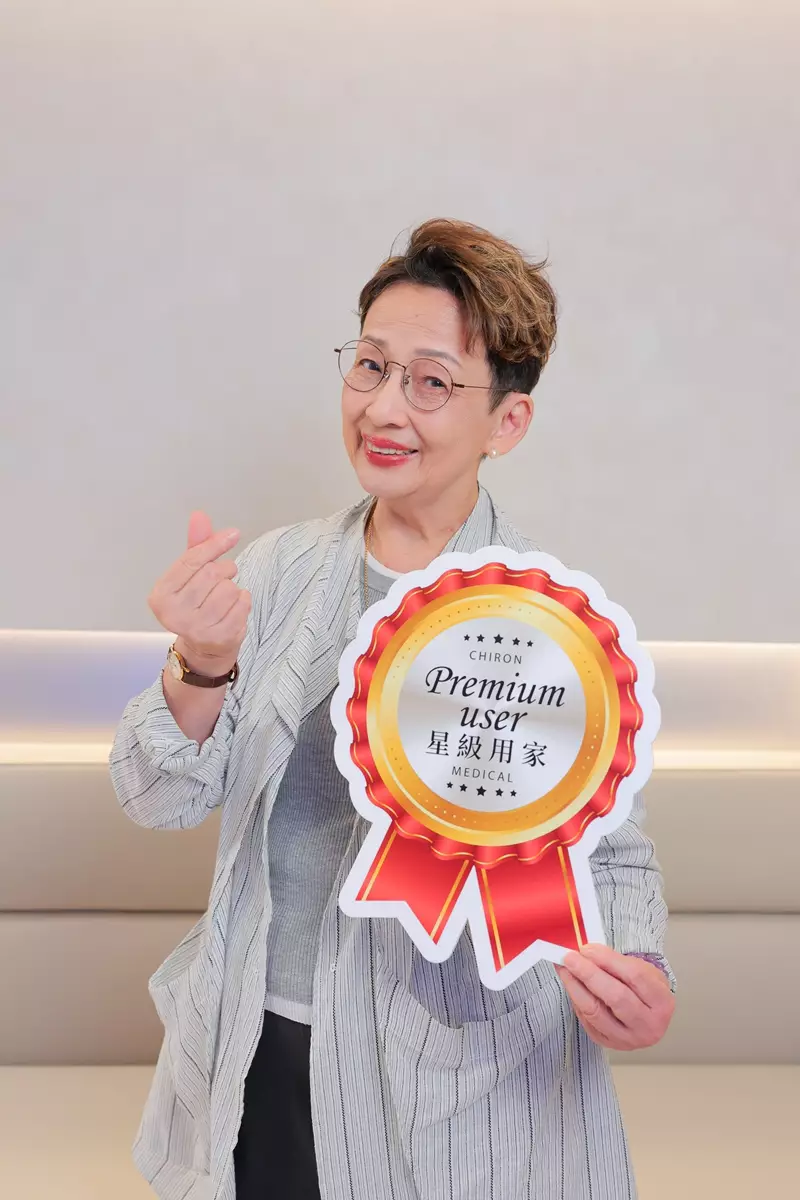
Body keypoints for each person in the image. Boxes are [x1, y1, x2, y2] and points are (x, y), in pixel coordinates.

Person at [110, 218, 676, 1200]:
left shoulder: (541, 620)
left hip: (459, 1084)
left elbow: (608, 848)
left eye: (431, 382)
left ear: (506, 422)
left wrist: (638, 975)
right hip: (253, 1044)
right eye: (369, 365)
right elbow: (158, 799)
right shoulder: (274, 575)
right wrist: (201, 665)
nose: (382, 406)